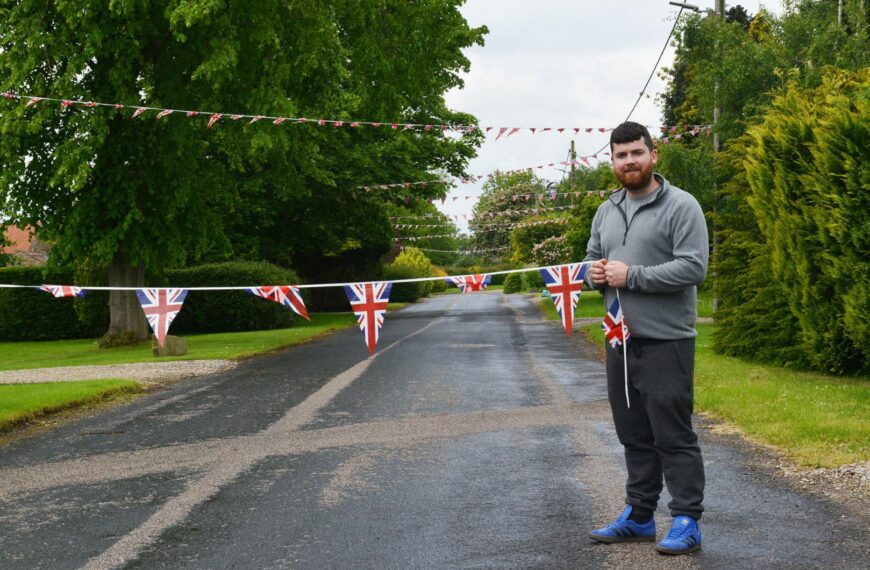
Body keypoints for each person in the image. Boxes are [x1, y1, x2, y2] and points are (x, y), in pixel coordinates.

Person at [584, 121, 709, 555]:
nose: (629, 161)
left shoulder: (681, 205)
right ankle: (639, 516)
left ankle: (687, 520)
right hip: (619, 340)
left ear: (654, 155)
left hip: (666, 340)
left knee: (672, 435)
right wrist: (594, 274)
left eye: (637, 152)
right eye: (621, 155)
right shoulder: (606, 210)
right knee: (633, 433)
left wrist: (631, 275)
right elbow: (591, 263)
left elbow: (694, 267)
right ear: (613, 162)